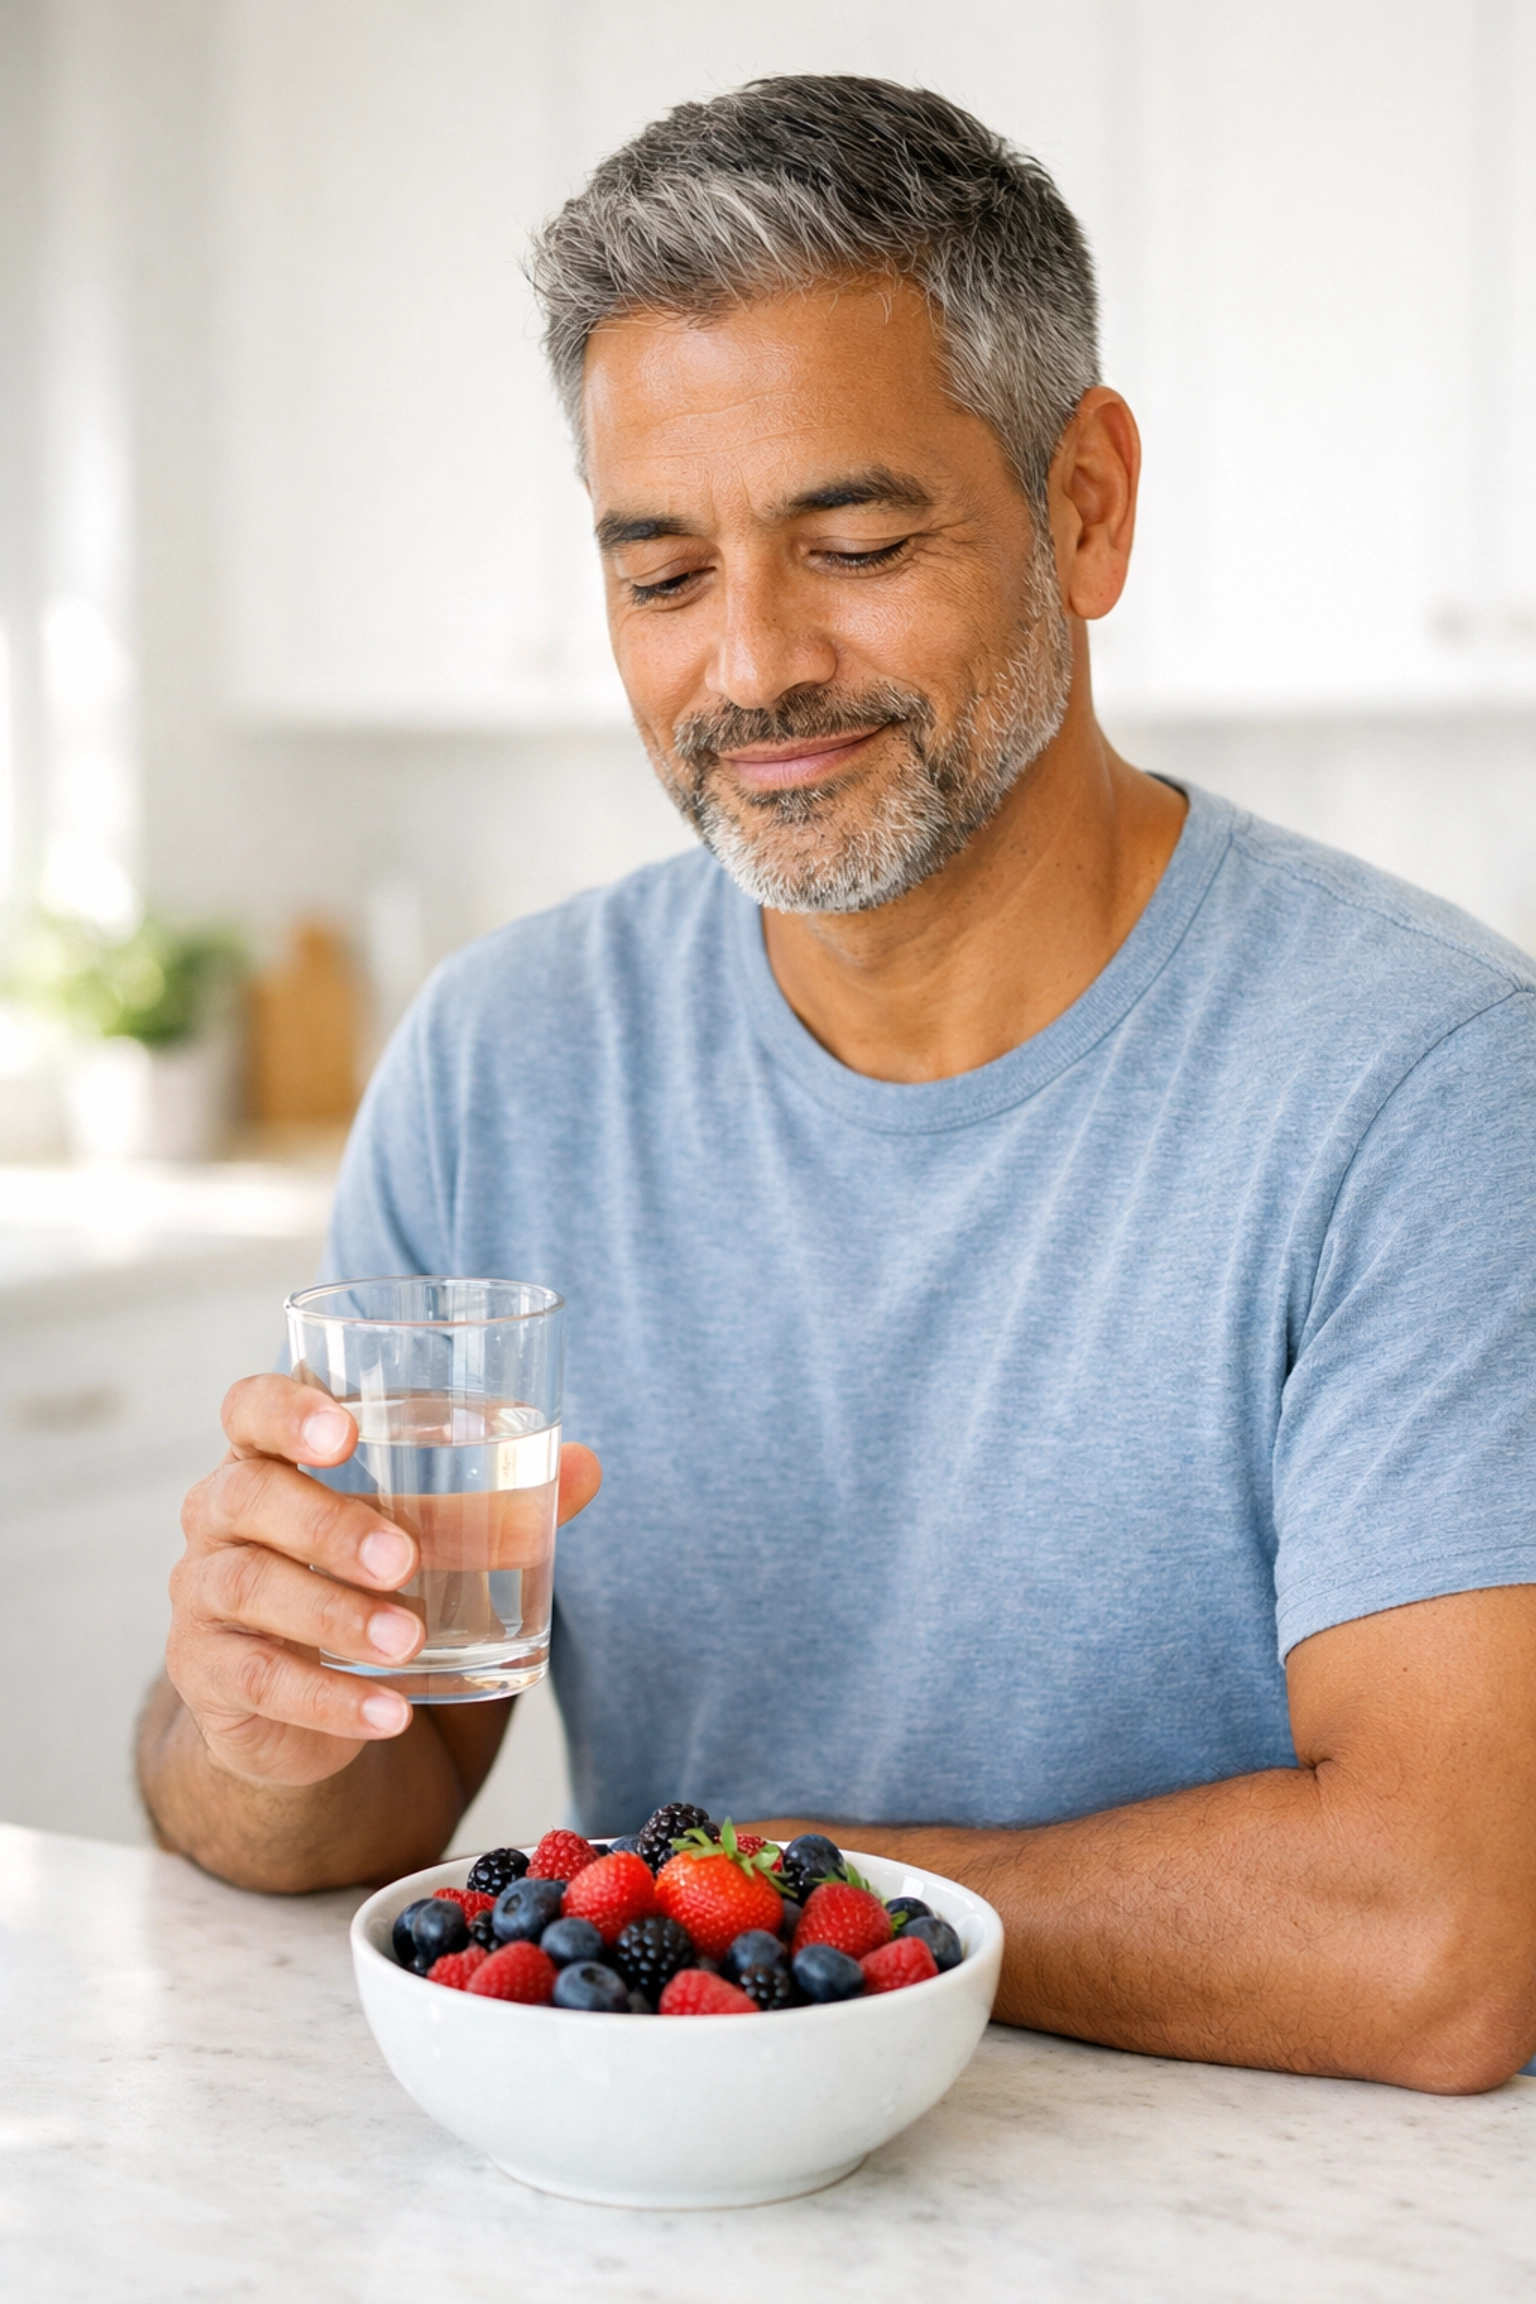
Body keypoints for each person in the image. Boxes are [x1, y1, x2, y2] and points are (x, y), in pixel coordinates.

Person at [138, 76, 1536, 2092]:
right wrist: (254, 1727)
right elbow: (370, 1798)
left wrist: (749, 1908)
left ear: (1087, 506)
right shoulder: (500, 1063)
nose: (754, 666)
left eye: (856, 538)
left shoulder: (1428, 1091)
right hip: (664, 2204)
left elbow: (1441, 1934)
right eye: (661, 574)